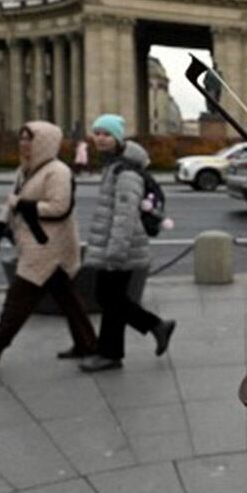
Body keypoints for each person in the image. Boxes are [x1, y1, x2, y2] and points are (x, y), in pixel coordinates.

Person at [0, 121, 99, 369]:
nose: (23, 143)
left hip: (49, 246)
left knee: (17, 301)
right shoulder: (25, 170)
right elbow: (10, 203)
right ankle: (88, 344)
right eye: (21, 138)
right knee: (69, 300)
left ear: (44, 142)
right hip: (34, 243)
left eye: (29, 139)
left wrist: (23, 205)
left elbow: (59, 208)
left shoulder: (58, 171)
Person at [78, 113, 174, 372]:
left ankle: (151, 328)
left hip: (121, 248)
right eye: (97, 132)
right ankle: (112, 351)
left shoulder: (125, 172)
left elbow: (125, 216)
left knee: (108, 298)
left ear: (119, 139)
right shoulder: (114, 166)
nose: (100, 138)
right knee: (112, 299)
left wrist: (115, 253)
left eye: (106, 134)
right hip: (117, 246)